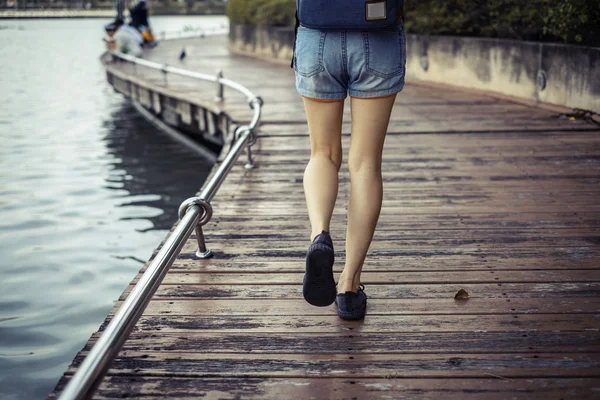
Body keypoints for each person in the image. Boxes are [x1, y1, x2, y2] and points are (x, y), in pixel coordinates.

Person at [295, 4, 406, 320]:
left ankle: (320, 235)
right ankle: (349, 284)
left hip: (317, 38)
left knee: (323, 153)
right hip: (379, 36)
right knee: (365, 164)